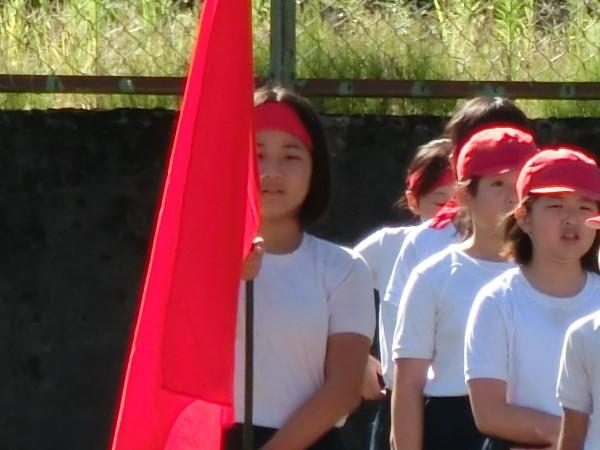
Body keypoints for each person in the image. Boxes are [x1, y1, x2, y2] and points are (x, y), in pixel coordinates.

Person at [226, 86, 376, 450]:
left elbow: (344, 389)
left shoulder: (343, 268)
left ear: (315, 170)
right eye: (258, 154)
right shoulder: (196, 261)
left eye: (291, 157)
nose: (272, 172)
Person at [390, 126, 538, 450]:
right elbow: (408, 384)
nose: (512, 197)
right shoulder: (433, 276)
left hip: (538, 425)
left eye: (521, 184)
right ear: (465, 195)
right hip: (453, 426)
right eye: (497, 184)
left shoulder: (554, 275)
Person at [465, 148, 600, 450]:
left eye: (585, 207)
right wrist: (571, 438)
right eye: (555, 206)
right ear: (524, 218)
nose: (571, 219)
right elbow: (489, 413)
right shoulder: (498, 301)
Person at [354, 138, 454, 450]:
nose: (452, 216)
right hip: (399, 401)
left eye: (462, 203)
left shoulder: (493, 254)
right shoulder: (389, 244)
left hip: (462, 406)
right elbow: (331, 290)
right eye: (440, 204)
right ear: (413, 200)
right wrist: (356, 360)